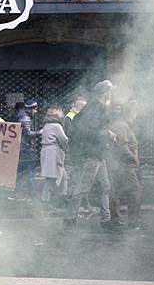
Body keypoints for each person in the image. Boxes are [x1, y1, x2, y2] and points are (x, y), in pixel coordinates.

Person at [64, 80, 120, 232]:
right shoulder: (95, 107)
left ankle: (106, 219)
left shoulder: (95, 106)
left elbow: (93, 128)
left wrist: (107, 133)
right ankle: (69, 219)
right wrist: (107, 134)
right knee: (83, 187)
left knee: (104, 186)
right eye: (110, 91)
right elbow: (87, 131)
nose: (111, 94)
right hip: (93, 153)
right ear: (105, 92)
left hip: (98, 153)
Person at [108, 100, 143, 229]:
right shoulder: (123, 126)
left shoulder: (118, 124)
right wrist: (133, 158)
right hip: (124, 164)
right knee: (135, 191)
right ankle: (134, 221)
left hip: (115, 164)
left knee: (115, 191)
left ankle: (115, 220)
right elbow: (122, 146)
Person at [39, 106, 69, 203]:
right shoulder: (56, 125)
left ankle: (60, 195)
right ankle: (47, 199)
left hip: (46, 151)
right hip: (53, 152)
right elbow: (64, 139)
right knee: (52, 177)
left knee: (60, 175)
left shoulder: (47, 125)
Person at [13, 99, 40, 199]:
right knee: (30, 173)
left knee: (20, 173)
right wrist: (40, 132)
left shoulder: (21, 117)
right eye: (35, 109)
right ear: (30, 109)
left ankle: (18, 193)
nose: (36, 111)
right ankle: (32, 195)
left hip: (21, 148)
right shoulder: (25, 119)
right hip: (27, 149)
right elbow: (29, 134)